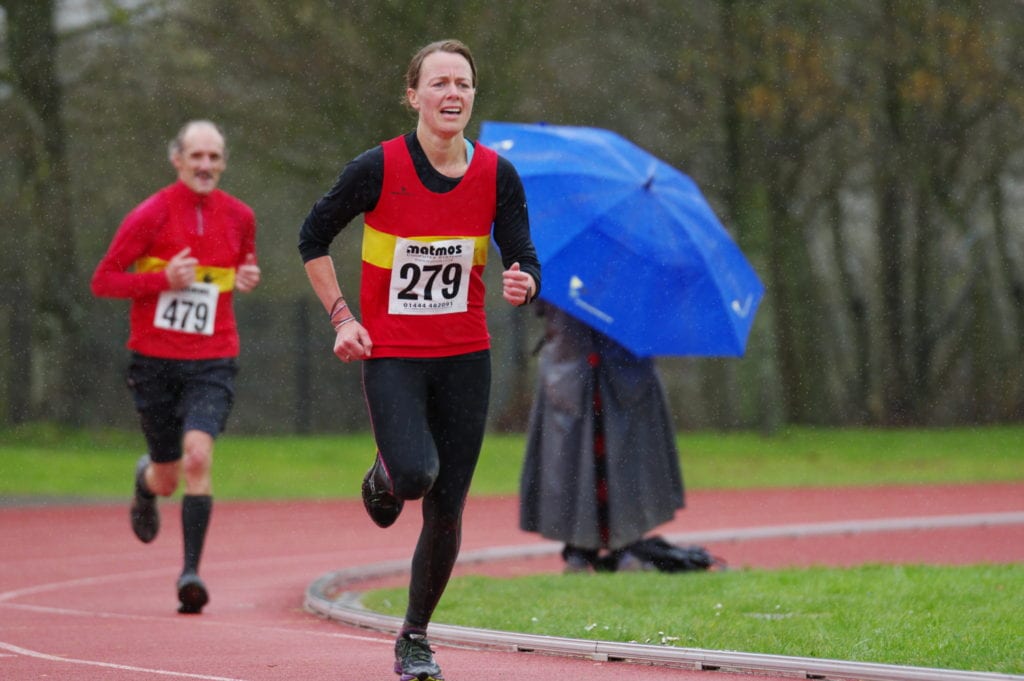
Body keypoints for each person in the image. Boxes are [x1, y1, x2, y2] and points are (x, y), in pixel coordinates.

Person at [298, 39, 540, 681]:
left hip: (466, 358)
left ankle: (414, 637)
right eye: (438, 83)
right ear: (413, 96)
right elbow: (312, 237)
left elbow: (523, 253)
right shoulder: (376, 167)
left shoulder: (498, 175)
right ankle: (384, 473)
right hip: (394, 354)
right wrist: (343, 317)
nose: (452, 93)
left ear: (473, 95)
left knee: (447, 505)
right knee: (413, 477)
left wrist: (525, 281)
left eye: (462, 83)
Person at [91, 120, 261, 615]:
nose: (205, 165)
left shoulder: (241, 216)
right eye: (197, 156)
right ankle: (145, 482)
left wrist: (247, 276)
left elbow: (241, 266)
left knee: (198, 457)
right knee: (167, 478)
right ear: (178, 160)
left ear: (223, 162)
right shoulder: (150, 214)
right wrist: (162, 279)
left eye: (214, 157)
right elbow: (104, 281)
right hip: (155, 363)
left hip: (213, 360)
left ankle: (190, 575)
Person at [519, 303, 684, 573]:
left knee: (626, 456)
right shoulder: (558, 279)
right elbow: (538, 303)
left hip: (624, 373)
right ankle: (579, 549)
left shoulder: (633, 285)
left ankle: (626, 544)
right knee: (572, 460)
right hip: (570, 372)